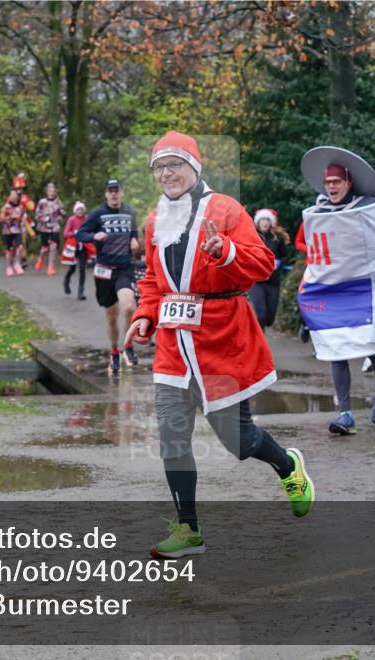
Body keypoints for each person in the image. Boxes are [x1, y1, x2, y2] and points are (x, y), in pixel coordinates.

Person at [124, 131, 313, 559]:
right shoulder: (155, 220)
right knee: (172, 437)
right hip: (173, 345)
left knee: (238, 441)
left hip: (221, 339)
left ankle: (288, 466)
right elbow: (153, 279)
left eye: (175, 164)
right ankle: (189, 529)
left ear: (195, 167)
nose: (167, 173)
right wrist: (144, 315)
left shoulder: (225, 209)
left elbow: (263, 264)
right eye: (159, 167)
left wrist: (225, 250)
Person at [294, 147, 375, 434]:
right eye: (328, 183)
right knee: (335, 348)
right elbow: (316, 250)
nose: (331, 187)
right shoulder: (318, 213)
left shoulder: (368, 208)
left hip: (364, 288)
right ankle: (345, 413)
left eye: (337, 182)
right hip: (333, 290)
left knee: (372, 345)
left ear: (348, 183)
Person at [77, 178, 140, 372]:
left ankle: (128, 346)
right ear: (106, 194)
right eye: (110, 191)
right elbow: (80, 234)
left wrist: (134, 240)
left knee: (128, 307)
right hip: (104, 271)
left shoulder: (129, 212)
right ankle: (114, 351)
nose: (114, 194)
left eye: (117, 190)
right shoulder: (98, 214)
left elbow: (133, 232)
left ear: (122, 192)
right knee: (112, 317)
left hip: (124, 269)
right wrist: (93, 236)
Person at [248, 209, 288, 331]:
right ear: (258, 222)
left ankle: (260, 330)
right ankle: (259, 339)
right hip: (256, 282)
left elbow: (285, 256)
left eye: (267, 220)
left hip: (273, 282)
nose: (265, 222)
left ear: (271, 223)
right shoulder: (252, 237)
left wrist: (278, 262)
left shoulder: (277, 239)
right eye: (262, 220)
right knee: (261, 315)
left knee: (269, 319)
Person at [35, 183, 65, 276]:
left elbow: (62, 213)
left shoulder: (58, 202)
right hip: (44, 227)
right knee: (45, 247)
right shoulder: (42, 202)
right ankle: (40, 258)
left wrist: (61, 216)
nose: (52, 193)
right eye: (50, 191)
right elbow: (37, 215)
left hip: (54, 226)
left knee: (53, 245)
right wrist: (46, 218)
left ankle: (50, 267)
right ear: (47, 192)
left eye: (53, 191)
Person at [62, 200, 89, 300]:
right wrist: (75, 233)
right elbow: (65, 233)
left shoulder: (87, 219)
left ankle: (80, 292)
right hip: (73, 246)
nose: (80, 211)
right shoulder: (72, 219)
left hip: (84, 245)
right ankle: (66, 280)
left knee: (82, 268)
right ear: (75, 211)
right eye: (78, 209)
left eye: (82, 209)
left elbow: (91, 229)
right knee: (72, 268)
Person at [0, 188, 27, 276]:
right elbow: (1, 219)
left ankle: (17, 264)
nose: (12, 197)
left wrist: (23, 220)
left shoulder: (21, 207)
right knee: (9, 248)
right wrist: (10, 217)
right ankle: (9, 266)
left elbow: (24, 216)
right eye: (11, 195)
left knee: (20, 246)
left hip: (17, 230)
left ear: (18, 197)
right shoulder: (6, 207)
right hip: (8, 230)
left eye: (14, 195)